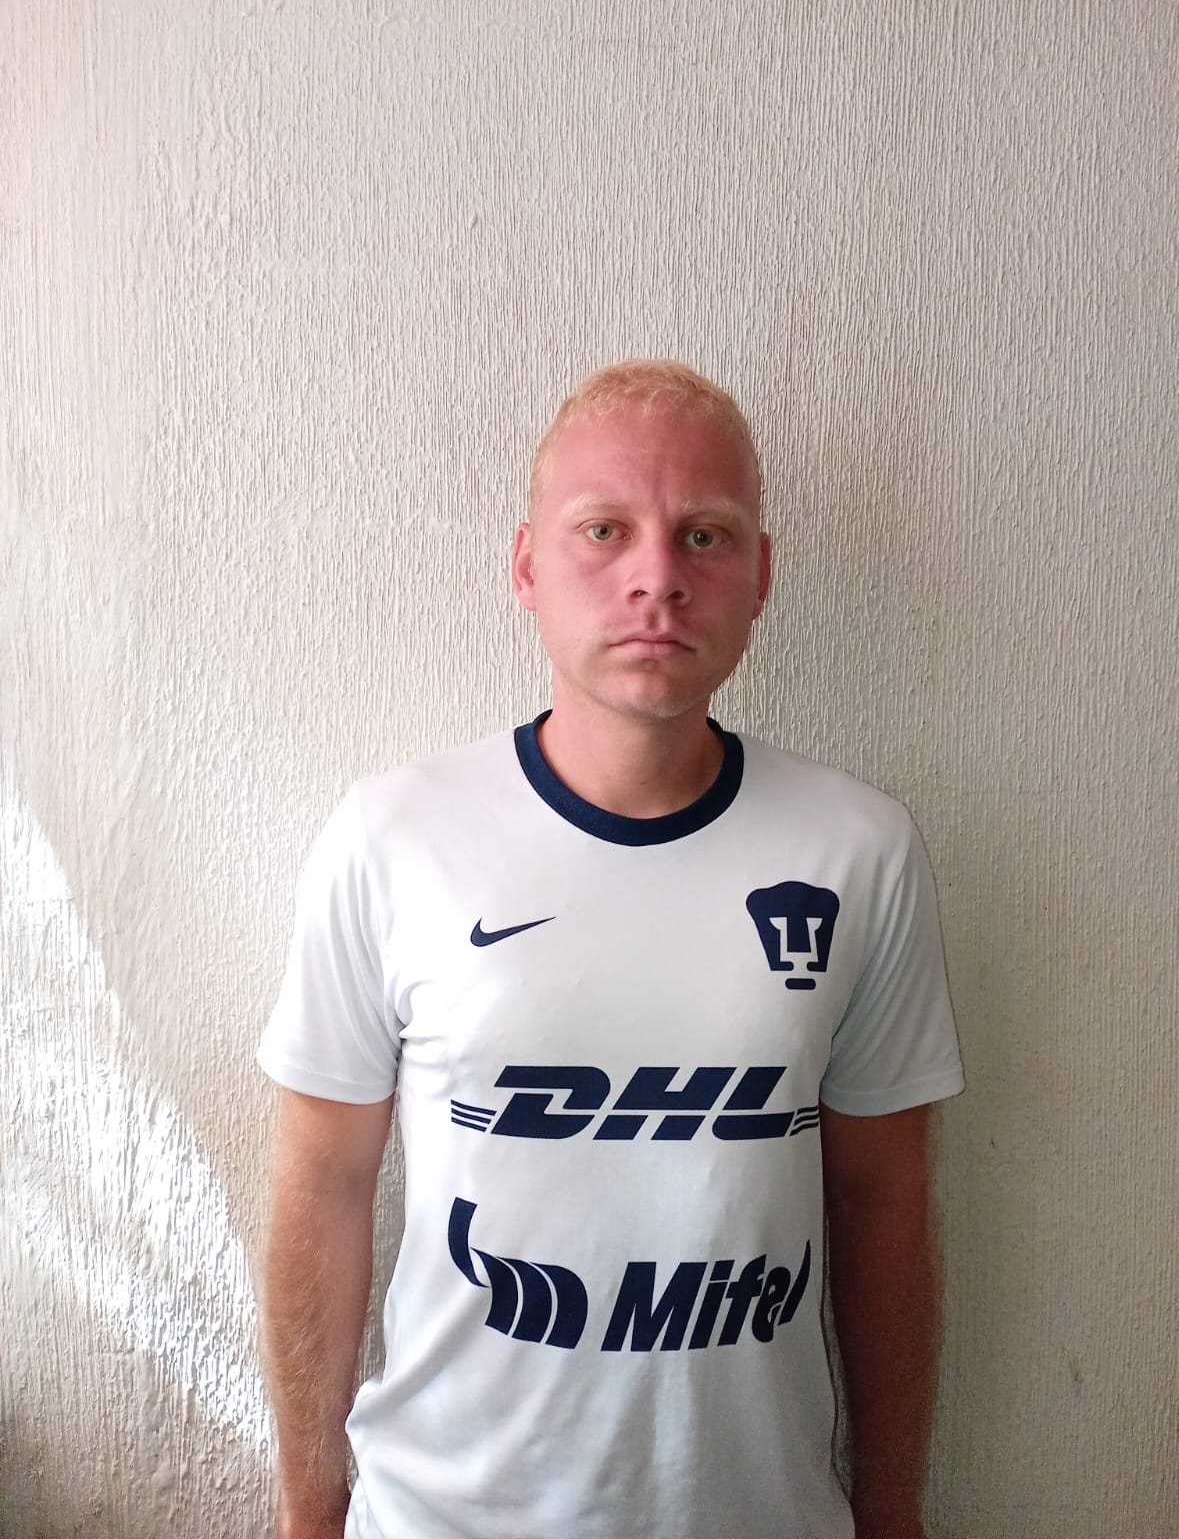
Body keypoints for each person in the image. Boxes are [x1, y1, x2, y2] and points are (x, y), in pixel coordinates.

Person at [257, 359, 965, 1539]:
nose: (656, 578)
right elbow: (321, 1185)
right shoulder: (393, 838)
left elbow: (882, 1197)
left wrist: (891, 1506)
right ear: (526, 566)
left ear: (760, 575)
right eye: (604, 531)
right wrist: (305, 1511)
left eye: (704, 535)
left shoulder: (860, 850)